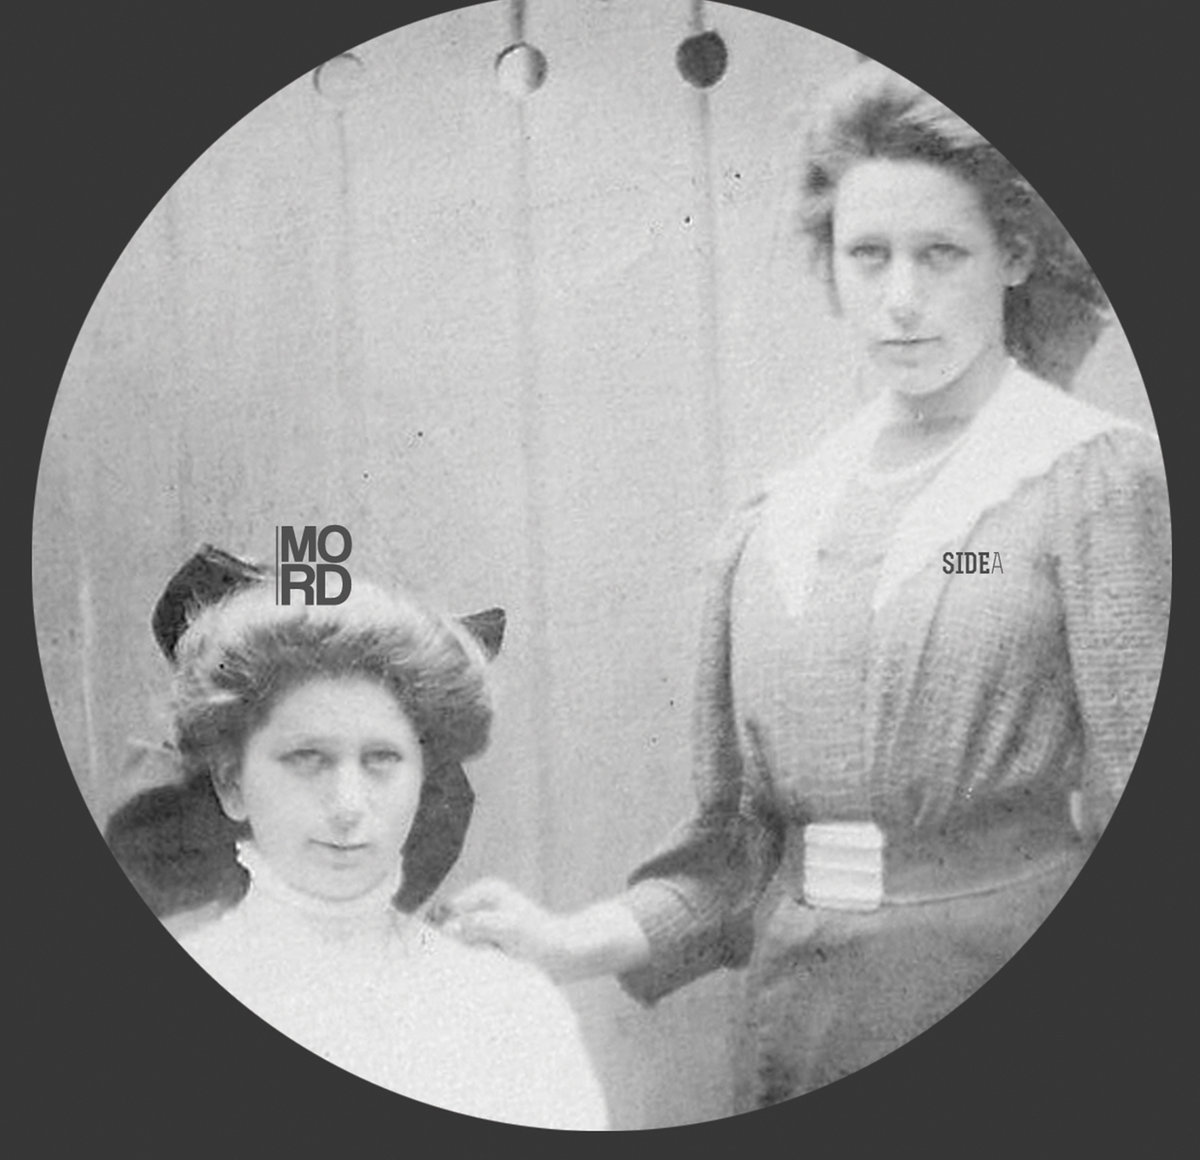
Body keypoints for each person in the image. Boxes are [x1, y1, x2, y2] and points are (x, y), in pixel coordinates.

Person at [441, 60, 1172, 1114]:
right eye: (868, 255)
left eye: (942, 253)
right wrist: (566, 940)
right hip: (802, 1026)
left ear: (1014, 256)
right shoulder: (776, 519)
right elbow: (733, 864)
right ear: (830, 266)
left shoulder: (1088, 475)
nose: (901, 298)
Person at [105, 548, 609, 1130]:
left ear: (424, 778)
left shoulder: (508, 1009)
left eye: (382, 759)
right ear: (231, 782)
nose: (348, 806)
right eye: (307, 758)